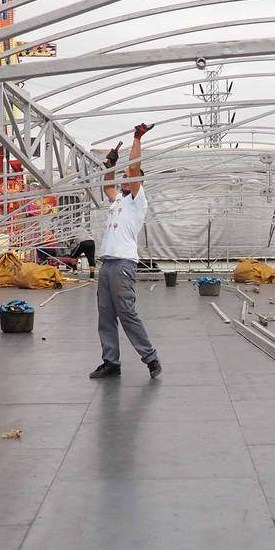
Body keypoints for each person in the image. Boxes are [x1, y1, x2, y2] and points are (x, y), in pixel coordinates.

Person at [89, 123, 162, 380]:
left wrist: (137, 138)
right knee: (106, 315)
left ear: (138, 181)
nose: (125, 180)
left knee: (127, 313)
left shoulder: (137, 201)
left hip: (123, 264)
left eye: (131, 178)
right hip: (108, 264)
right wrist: (109, 168)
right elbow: (108, 187)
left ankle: (151, 358)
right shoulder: (119, 199)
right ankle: (111, 361)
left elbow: (133, 168)